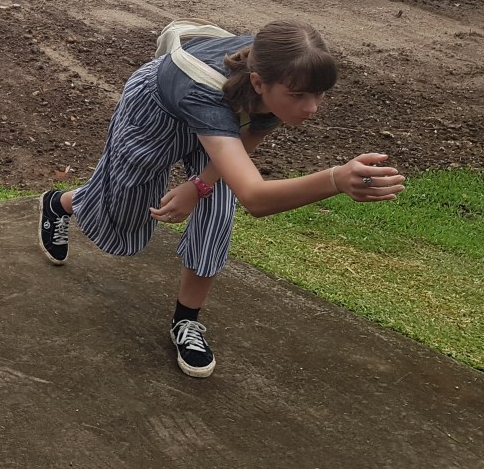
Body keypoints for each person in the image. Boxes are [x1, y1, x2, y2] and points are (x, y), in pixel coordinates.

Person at [38, 21, 405, 378]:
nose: (312, 108)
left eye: (319, 94)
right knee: (126, 215)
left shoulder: (282, 71)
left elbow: (248, 140)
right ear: (258, 83)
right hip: (158, 108)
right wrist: (335, 179)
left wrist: (199, 186)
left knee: (218, 210)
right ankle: (61, 204)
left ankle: (186, 321)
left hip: (225, 120)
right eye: (298, 96)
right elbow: (256, 198)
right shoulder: (220, 86)